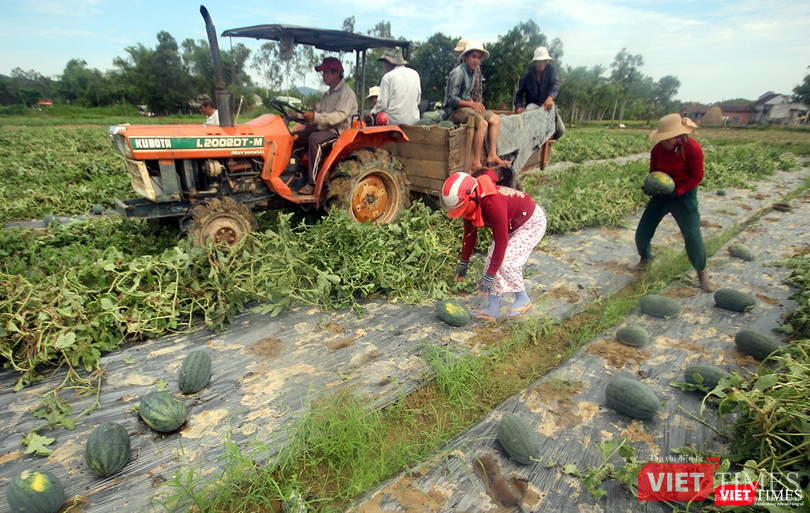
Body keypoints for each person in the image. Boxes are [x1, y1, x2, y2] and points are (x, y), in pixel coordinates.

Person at [441, 168, 547, 321]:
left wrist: (490, 276)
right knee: (491, 260)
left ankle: (523, 298)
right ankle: (493, 309)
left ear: (473, 196)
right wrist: (464, 262)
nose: (462, 213)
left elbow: (501, 242)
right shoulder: (470, 204)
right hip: (511, 225)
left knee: (506, 261)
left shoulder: (494, 204)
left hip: (531, 223)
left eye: (463, 209)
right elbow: (469, 235)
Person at [629, 113, 716, 293]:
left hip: (684, 196)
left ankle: (702, 273)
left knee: (692, 235)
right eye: (662, 138)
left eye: (668, 139)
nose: (665, 142)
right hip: (662, 195)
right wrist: (650, 187)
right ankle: (645, 259)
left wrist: (679, 191)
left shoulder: (692, 148)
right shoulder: (657, 150)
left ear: (678, 136)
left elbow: (697, 176)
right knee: (643, 230)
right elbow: (654, 173)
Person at [293, 57, 358, 195]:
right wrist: (298, 116)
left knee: (314, 139)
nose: (323, 75)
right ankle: (295, 172)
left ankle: (312, 183)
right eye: (323, 72)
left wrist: (315, 117)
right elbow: (318, 114)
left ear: (336, 73)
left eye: (326, 72)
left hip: (340, 132)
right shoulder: (327, 94)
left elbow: (339, 116)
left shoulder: (346, 93)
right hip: (325, 129)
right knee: (295, 137)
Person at [444, 41, 509, 171]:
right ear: (466, 56)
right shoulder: (458, 73)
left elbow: (469, 95)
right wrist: (472, 104)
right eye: (473, 57)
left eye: (479, 58)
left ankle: (492, 154)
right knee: (482, 123)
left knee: (496, 119)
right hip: (454, 111)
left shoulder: (473, 72)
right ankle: (475, 161)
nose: (476, 60)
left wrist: (475, 104)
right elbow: (451, 99)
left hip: (467, 107)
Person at [369, 48, 421, 125]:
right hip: (414, 120)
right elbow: (418, 100)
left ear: (389, 62)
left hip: (393, 122)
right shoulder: (415, 74)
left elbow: (382, 104)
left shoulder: (387, 77)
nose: (385, 66)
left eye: (385, 63)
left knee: (378, 118)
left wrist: (372, 112)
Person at [514, 46, 560, 113]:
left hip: (547, 104)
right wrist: (519, 106)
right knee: (529, 110)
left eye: (543, 61)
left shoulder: (551, 70)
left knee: (555, 114)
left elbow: (555, 84)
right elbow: (519, 94)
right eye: (539, 62)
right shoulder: (527, 76)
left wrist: (550, 97)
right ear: (535, 62)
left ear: (546, 61)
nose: (541, 64)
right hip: (532, 106)